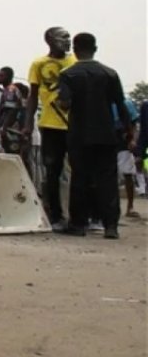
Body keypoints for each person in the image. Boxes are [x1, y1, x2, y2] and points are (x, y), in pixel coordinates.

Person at [56, 33, 131, 239]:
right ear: (95, 48)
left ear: (75, 49)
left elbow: (64, 103)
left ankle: (78, 224)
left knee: (79, 177)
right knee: (107, 179)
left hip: (79, 134)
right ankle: (111, 226)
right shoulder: (110, 73)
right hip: (106, 133)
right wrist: (128, 130)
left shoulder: (68, 74)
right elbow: (121, 105)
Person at [26, 27, 78, 228]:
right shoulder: (39, 64)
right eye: (63, 37)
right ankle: (56, 216)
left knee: (78, 171)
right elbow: (33, 95)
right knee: (52, 170)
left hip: (74, 124)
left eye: (69, 37)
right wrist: (28, 123)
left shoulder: (74, 62)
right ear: (49, 40)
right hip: (49, 124)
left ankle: (80, 215)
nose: (68, 41)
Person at [0, 66, 32, 174]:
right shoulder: (10, 90)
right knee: (19, 158)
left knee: (14, 158)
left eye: (1, 75)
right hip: (14, 130)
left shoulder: (10, 90)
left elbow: (12, 110)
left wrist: (4, 128)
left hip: (12, 131)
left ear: (9, 77)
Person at [113, 98, 140, 219]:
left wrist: (133, 140)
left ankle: (130, 206)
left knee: (128, 173)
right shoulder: (100, 101)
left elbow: (134, 123)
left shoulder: (126, 103)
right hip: (107, 140)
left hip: (124, 141)